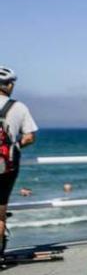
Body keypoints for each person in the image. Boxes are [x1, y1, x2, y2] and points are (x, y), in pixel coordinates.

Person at [0, 66, 38, 262]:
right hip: (5, 166)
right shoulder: (18, 107)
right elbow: (30, 137)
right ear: (10, 85)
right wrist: (14, 145)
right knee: (0, 211)